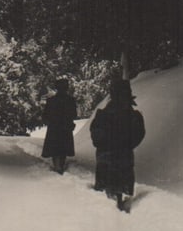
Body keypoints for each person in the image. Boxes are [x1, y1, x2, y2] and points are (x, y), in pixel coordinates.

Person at [90, 78, 145, 212]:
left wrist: (104, 144)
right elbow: (139, 134)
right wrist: (127, 145)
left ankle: (114, 210)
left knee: (107, 193)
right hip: (123, 156)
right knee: (120, 189)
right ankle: (119, 208)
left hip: (107, 157)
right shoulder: (133, 115)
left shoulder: (104, 113)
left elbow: (96, 135)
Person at [41, 78, 77, 174]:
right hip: (65, 127)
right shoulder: (71, 100)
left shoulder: (51, 101)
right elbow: (74, 115)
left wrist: (50, 121)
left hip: (54, 128)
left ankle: (57, 165)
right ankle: (60, 165)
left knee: (54, 148)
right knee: (63, 148)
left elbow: (45, 115)